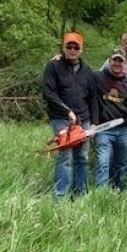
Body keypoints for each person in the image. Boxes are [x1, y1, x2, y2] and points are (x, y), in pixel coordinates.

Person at [42, 32, 97, 198]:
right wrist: (67, 111)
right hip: (61, 118)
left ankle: (81, 194)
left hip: (83, 119)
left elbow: (93, 98)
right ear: (63, 47)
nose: (72, 50)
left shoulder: (87, 71)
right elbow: (48, 93)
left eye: (76, 47)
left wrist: (94, 123)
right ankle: (60, 195)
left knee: (82, 157)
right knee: (65, 157)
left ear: (81, 49)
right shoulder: (53, 66)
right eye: (69, 46)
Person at [94, 50, 127, 191]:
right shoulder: (97, 78)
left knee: (122, 162)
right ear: (109, 61)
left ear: (124, 63)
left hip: (123, 129)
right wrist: (59, 59)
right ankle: (102, 193)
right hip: (103, 128)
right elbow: (79, 74)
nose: (117, 63)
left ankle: (120, 189)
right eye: (114, 60)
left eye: (120, 61)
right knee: (103, 162)